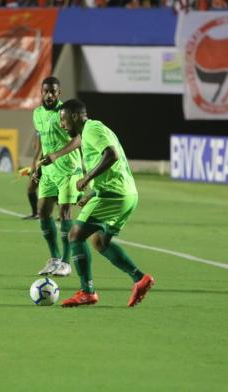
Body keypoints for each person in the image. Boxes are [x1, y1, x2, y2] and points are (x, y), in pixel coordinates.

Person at [56, 99, 154, 307]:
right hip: (126, 195)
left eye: (63, 120)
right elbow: (111, 168)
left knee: (75, 235)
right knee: (100, 242)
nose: (62, 125)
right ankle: (140, 279)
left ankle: (87, 291)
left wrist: (87, 178)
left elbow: (112, 155)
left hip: (115, 194)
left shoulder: (92, 129)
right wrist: (92, 194)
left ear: (75, 116)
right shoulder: (91, 132)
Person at [32, 77, 82, 277]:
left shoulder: (65, 113)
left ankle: (65, 263)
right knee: (43, 211)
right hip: (49, 170)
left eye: (53, 92)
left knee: (65, 213)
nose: (49, 95)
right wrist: (39, 165)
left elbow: (78, 139)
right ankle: (54, 259)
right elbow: (44, 140)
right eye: (45, 91)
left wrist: (56, 155)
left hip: (68, 168)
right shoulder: (37, 114)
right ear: (41, 92)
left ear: (59, 93)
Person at [22, 133, 40, 220]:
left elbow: (38, 149)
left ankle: (36, 213)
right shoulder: (39, 131)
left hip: (41, 164)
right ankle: (36, 213)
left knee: (31, 188)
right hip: (42, 163)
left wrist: (34, 166)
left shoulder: (41, 131)